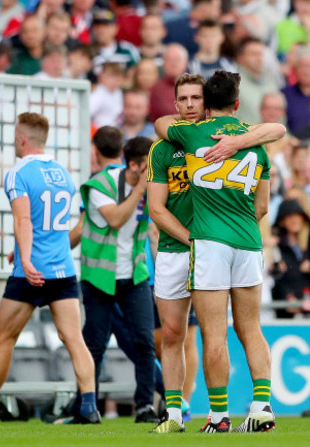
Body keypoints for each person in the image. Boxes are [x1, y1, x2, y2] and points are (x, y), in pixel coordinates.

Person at [147, 73, 286, 433]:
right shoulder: (257, 145)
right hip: (249, 241)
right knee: (251, 327)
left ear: (206, 104)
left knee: (213, 334)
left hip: (210, 241)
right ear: (238, 104)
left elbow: (161, 123)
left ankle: (219, 416)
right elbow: (263, 205)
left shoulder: (195, 134)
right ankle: (261, 407)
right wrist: (242, 139)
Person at [0, 112, 99, 425]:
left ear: (22, 138)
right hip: (62, 268)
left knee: (5, 337)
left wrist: (26, 259)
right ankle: (89, 406)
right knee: (74, 338)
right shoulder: (62, 173)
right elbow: (50, 224)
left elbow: (24, 220)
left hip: (31, 271)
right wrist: (19, 249)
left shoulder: (18, 173)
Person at [79, 131, 159, 424]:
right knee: (95, 345)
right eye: (151, 166)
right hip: (99, 277)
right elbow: (115, 219)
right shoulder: (100, 184)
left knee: (145, 343)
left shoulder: (152, 187)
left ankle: (144, 407)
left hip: (135, 274)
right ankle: (86, 405)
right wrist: (140, 191)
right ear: (136, 166)